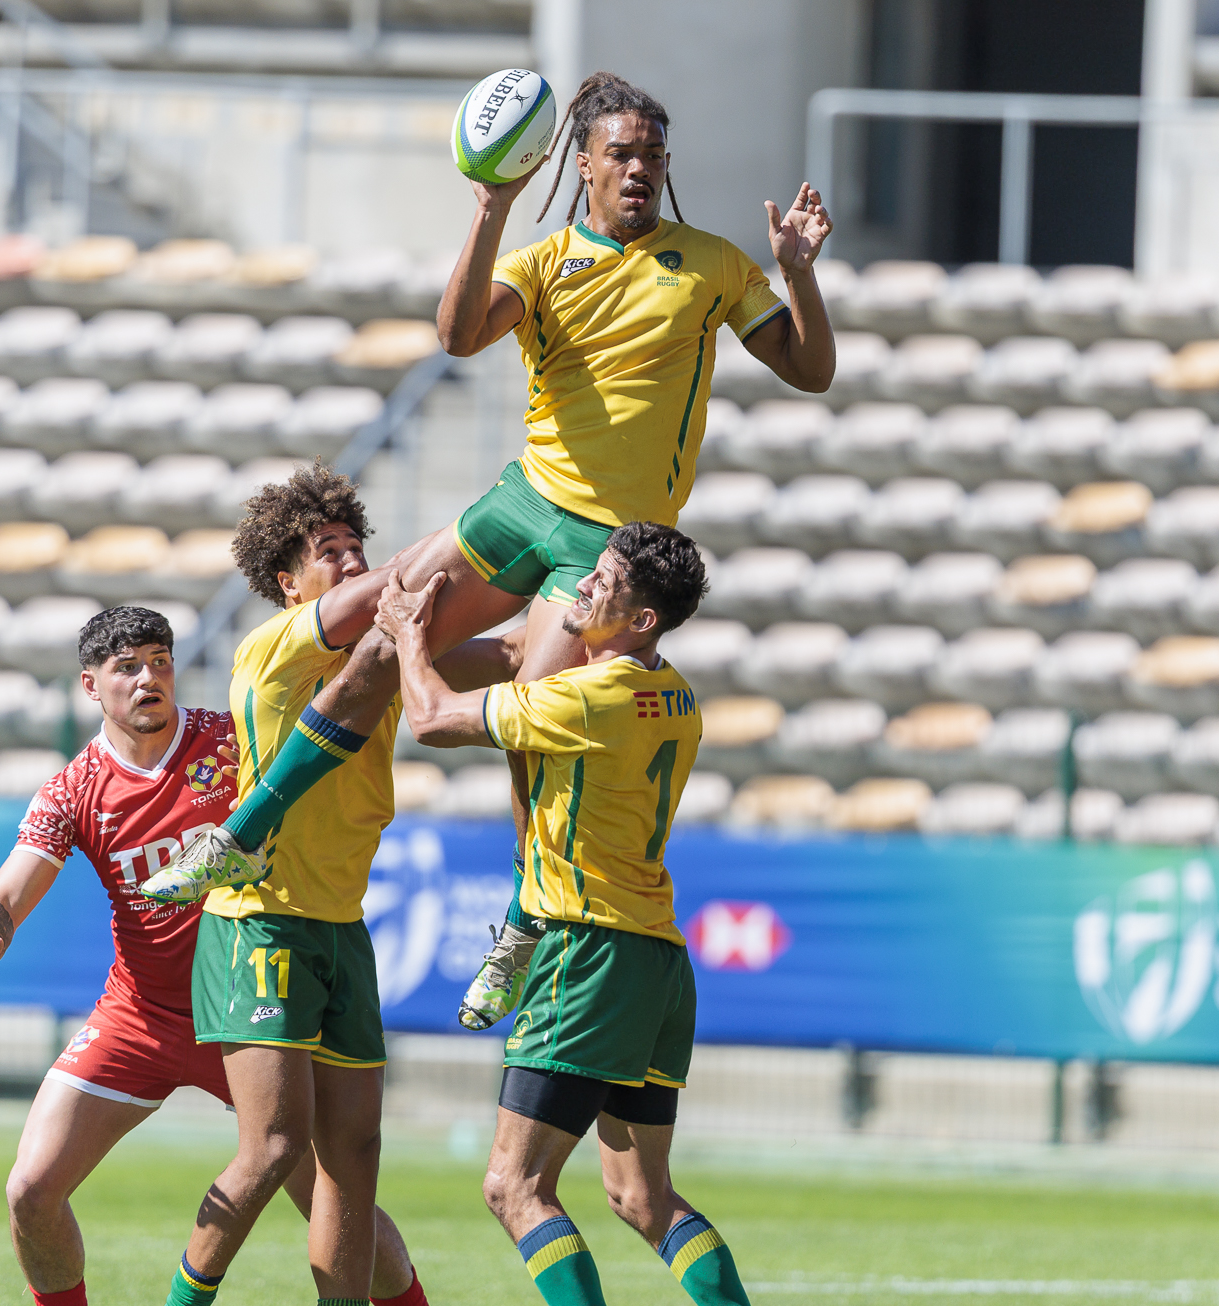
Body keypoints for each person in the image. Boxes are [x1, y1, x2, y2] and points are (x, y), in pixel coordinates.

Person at [140, 69, 836, 1035]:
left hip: (610, 550)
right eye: (621, 153)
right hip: (521, 508)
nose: (640, 169)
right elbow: (457, 334)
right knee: (381, 646)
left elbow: (811, 370)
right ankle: (245, 836)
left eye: (653, 156)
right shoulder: (545, 261)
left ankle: (517, 927)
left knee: (528, 729)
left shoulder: (712, 264)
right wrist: (493, 207)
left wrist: (798, 272)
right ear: (581, 162)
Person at [0, 602, 505, 1306]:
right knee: (30, 1188)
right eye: (127, 668)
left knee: (336, 1197)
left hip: (253, 1006)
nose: (149, 678)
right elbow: (8, 885)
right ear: (90, 686)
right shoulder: (76, 786)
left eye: (160, 660)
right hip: (141, 1016)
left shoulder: (230, 737)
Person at [377, 521, 809, 1306]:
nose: (583, 587)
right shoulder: (675, 695)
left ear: (641, 615)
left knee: (512, 1185)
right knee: (642, 1196)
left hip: (588, 955)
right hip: (657, 955)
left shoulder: (596, 697)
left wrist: (412, 637)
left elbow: (433, 719)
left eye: (601, 579)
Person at [138, 464, 521, 1306]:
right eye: (329, 557)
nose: (350, 564)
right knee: (271, 1148)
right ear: (289, 584)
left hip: (339, 930)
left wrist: (588, 629)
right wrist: (427, 565)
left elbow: (511, 656)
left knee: (354, 1151)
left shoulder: (388, 660)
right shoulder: (273, 650)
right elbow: (380, 609)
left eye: (356, 546)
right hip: (256, 920)